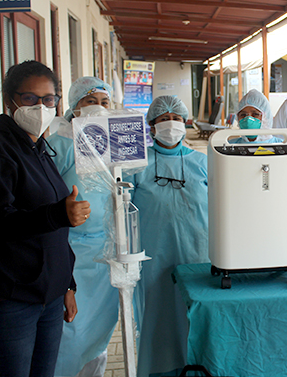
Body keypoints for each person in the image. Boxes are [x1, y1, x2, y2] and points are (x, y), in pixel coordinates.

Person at [0, 60, 91, 377]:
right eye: (30, 99)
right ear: (10, 101)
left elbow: (55, 232)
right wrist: (57, 214)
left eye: (48, 99)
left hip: (47, 297)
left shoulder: (36, 147)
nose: (41, 107)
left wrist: (67, 283)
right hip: (9, 300)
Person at [130, 95, 209, 377]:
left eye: (176, 118)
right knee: (158, 316)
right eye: (164, 119)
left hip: (197, 253)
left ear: (186, 123)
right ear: (151, 126)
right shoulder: (137, 164)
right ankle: (159, 371)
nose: (171, 124)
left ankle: (199, 367)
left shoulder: (203, 162)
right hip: (154, 257)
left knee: (196, 315)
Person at [48, 77, 119, 377]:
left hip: (105, 254)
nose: (99, 109)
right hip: (69, 251)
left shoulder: (114, 143)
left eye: (105, 103)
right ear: (74, 108)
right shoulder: (60, 143)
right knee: (69, 331)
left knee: (99, 330)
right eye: (90, 102)